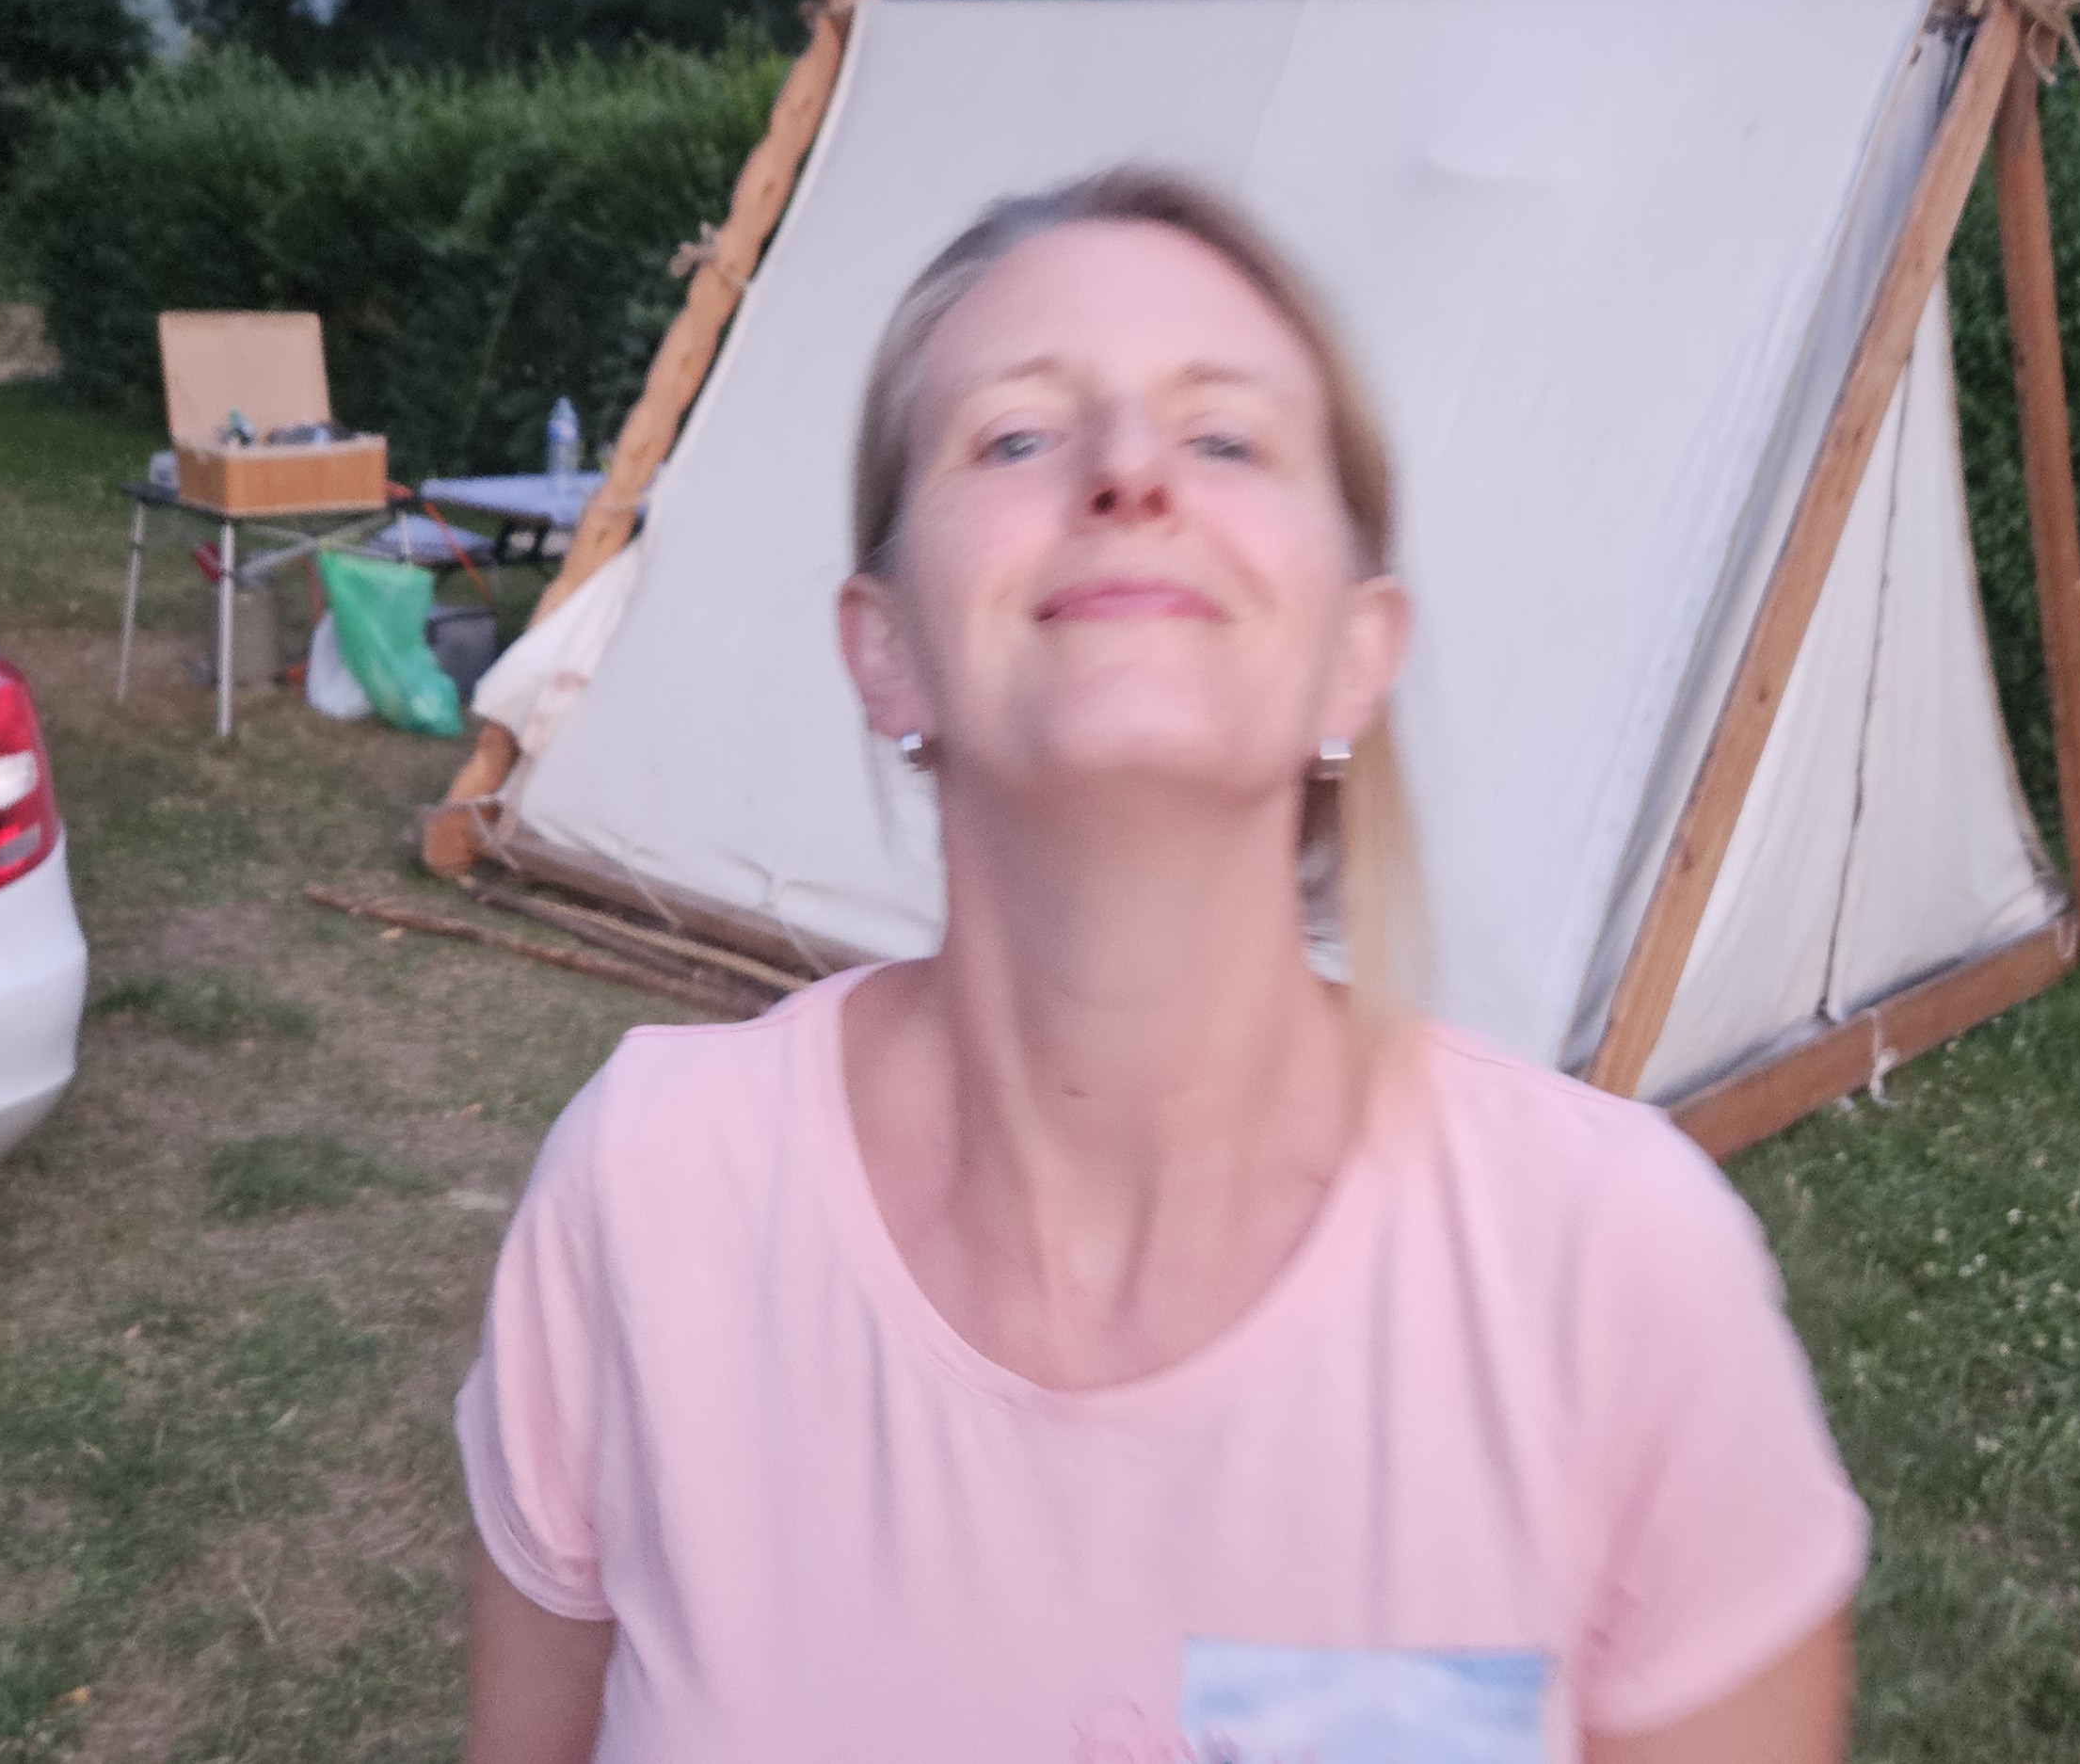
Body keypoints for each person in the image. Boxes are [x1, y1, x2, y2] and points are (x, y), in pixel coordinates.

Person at [459, 168, 1864, 1763]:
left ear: (1356, 653)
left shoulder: (1615, 1274)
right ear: (884, 648)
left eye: (1226, 439)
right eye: (1015, 436)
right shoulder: (650, 1197)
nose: (1128, 472)